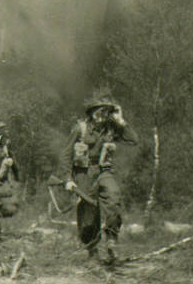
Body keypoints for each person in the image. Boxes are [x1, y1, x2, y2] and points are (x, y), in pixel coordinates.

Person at [62, 94, 139, 264]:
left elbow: (133, 140)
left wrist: (121, 121)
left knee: (114, 197)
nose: (102, 115)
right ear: (91, 112)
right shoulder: (80, 129)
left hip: (103, 171)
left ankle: (111, 240)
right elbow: (66, 154)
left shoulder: (111, 128)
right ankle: (92, 251)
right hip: (83, 172)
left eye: (106, 112)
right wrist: (68, 178)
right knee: (88, 214)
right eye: (99, 111)